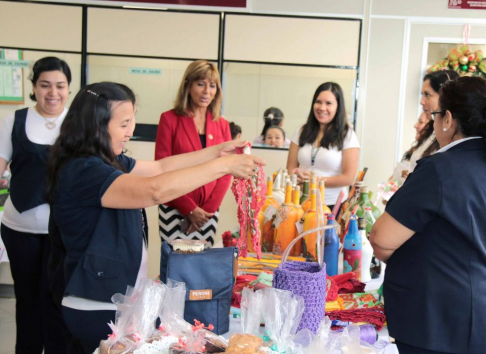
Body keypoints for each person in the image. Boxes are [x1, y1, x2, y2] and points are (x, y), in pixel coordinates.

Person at [46, 82, 264, 353]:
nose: (131, 131)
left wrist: (218, 152)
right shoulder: (84, 170)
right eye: (124, 124)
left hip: (115, 301)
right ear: (97, 126)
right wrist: (223, 166)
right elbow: (154, 190)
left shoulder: (106, 160)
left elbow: (161, 167)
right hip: (95, 304)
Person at [370, 76, 486, 354]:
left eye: (434, 115)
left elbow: (382, 239)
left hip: (437, 316)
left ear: (448, 119)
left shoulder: (440, 168)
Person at [0, 56, 72, 353]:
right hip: (20, 230)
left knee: (57, 303)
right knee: (27, 303)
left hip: (65, 231)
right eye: (45, 85)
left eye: (60, 86)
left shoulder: (77, 123)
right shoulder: (13, 120)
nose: (52, 93)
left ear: (69, 89)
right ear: (34, 87)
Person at [155, 60, 231, 245]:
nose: (207, 91)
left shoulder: (223, 125)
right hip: (174, 208)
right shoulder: (169, 119)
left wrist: (206, 211)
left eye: (212, 86)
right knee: (173, 268)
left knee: (201, 268)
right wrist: (189, 209)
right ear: (188, 86)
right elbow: (163, 168)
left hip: (208, 213)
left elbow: (227, 171)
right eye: (200, 84)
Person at [286, 82, 360, 209]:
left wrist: (315, 180)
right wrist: (296, 174)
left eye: (329, 103)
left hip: (332, 205)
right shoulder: (300, 131)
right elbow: (290, 169)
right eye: (318, 102)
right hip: (301, 202)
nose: (322, 107)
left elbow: (349, 178)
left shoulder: (348, 135)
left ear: (338, 107)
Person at [408, 70, 460, 171]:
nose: (422, 102)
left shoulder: (453, 136)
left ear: (444, 96)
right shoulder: (430, 130)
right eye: (422, 94)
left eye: (427, 94)